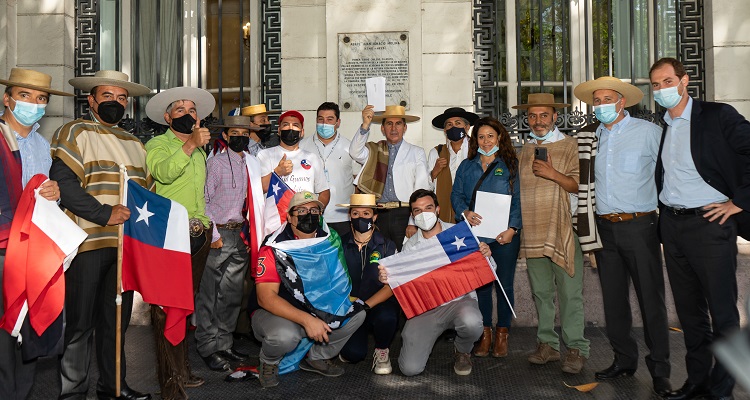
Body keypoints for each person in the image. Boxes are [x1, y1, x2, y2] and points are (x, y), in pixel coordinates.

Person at [650, 57, 750, 400]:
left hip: (710, 225)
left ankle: (722, 389)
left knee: (723, 314)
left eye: (667, 81)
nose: (662, 89)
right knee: (690, 313)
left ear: (684, 80)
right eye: (656, 84)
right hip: (674, 227)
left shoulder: (718, 116)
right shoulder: (663, 125)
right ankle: (697, 382)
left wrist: (740, 201)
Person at [49, 70, 151, 400]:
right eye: (108, 96)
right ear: (92, 100)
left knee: (116, 324)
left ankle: (114, 387)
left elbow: (146, 197)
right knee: (80, 324)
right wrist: (105, 213)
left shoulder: (135, 143)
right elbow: (64, 185)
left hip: (125, 248)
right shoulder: (74, 131)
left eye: (122, 98)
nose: (116, 103)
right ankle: (73, 392)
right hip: (87, 242)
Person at [573, 76, 672, 394]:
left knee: (650, 301)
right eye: (596, 101)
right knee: (614, 301)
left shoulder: (649, 133)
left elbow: (671, 170)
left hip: (640, 226)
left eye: (606, 99)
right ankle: (624, 360)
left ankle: (660, 368)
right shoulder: (590, 137)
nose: (600, 105)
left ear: (621, 101)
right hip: (605, 229)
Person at [250, 191, 366, 388]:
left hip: (315, 308)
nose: (309, 215)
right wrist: (307, 320)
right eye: (301, 210)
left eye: (314, 210)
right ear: (289, 216)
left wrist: (324, 312)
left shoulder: (328, 240)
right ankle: (268, 363)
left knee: (356, 313)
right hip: (276, 313)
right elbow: (265, 298)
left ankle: (316, 357)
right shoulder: (274, 247)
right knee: (286, 336)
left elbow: (336, 283)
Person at [144, 86, 217, 399]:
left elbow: (200, 195)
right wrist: (188, 145)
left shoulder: (201, 149)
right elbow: (164, 173)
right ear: (166, 117)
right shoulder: (158, 144)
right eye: (180, 110)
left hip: (197, 233)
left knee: (184, 305)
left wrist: (209, 229)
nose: (188, 114)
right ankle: (169, 381)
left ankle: (182, 369)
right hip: (169, 233)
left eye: (192, 110)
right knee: (165, 306)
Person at [0, 68, 67, 400]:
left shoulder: (43, 145)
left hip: (33, 250)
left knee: (28, 333)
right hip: (2, 250)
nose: (34, 104)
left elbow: (44, 192)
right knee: (3, 335)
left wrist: (54, 191)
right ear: (7, 98)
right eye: (25, 96)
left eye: (41, 99)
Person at [513, 93, 589, 374]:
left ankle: (576, 348)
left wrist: (552, 173)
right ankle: (548, 345)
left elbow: (578, 185)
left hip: (562, 230)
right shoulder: (525, 150)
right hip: (533, 233)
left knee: (570, 293)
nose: (538, 121)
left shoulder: (570, 145)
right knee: (542, 293)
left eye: (544, 115)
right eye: (532, 116)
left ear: (555, 117)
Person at [378, 189, 488, 376]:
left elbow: (488, 269)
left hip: (459, 302)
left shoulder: (459, 234)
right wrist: (388, 279)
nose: (423, 214)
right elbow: (402, 285)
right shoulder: (409, 247)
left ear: (437, 209)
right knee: (409, 369)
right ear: (412, 215)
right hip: (426, 308)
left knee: (473, 323)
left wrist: (485, 255)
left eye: (428, 208)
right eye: (417, 211)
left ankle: (462, 350)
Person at [194, 116, 262, 371]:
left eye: (244, 133)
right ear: (225, 136)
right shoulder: (216, 164)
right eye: (235, 133)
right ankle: (207, 346)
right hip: (217, 234)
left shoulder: (251, 164)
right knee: (209, 294)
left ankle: (224, 343)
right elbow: (204, 200)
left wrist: (249, 235)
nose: (240, 137)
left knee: (232, 294)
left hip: (240, 235)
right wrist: (213, 236)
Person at [451, 116, 521, 359]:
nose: (486, 140)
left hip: (504, 237)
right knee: (481, 287)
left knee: (504, 285)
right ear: (475, 140)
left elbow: (518, 200)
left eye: (490, 136)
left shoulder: (510, 165)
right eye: (481, 136)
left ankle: (502, 334)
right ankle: (485, 335)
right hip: (475, 236)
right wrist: (465, 213)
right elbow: (456, 196)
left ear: (499, 137)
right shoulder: (466, 166)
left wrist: (512, 229)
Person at [350, 105, 430, 250]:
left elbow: (421, 188)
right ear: (382, 128)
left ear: (405, 128)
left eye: (398, 123)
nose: (394, 128)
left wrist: (413, 221)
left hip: (404, 214)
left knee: (405, 256)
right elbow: (355, 152)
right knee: (380, 256)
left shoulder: (416, 152)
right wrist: (365, 125)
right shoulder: (374, 150)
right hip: (378, 213)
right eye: (389, 124)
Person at [336, 194, 398, 374]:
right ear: (349, 216)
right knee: (353, 355)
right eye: (355, 213)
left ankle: (382, 350)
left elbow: (391, 287)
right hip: (349, 306)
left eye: (366, 213)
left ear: (375, 216)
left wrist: (365, 305)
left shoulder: (388, 246)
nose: (361, 218)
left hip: (377, 304)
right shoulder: (338, 243)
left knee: (388, 316)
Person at [300, 102, 360, 236]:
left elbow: (357, 182)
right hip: (311, 216)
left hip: (342, 217)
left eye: (329, 119)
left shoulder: (349, 147)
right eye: (320, 119)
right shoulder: (302, 146)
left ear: (338, 122)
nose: (324, 123)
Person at [257, 110, 331, 206]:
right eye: (286, 125)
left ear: (302, 132)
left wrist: (316, 211)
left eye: (295, 125)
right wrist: (278, 172)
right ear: (279, 131)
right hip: (276, 218)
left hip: (304, 218)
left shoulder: (312, 158)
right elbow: (260, 188)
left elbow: (324, 191)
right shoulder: (264, 155)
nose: (290, 128)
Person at [427, 107, 478, 223]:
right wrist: (435, 171)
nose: (453, 127)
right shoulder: (436, 152)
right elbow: (426, 187)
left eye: (458, 123)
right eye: (449, 124)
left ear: (467, 127)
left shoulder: (477, 150)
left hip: (473, 209)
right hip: (445, 211)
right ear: (445, 130)